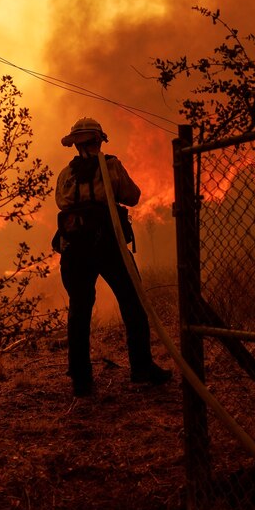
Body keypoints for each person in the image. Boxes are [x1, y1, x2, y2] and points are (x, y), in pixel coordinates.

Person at [53, 117, 172, 397]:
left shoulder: (64, 174)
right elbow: (132, 197)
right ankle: (141, 369)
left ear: (75, 144)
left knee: (79, 310)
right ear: (98, 140)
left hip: (74, 249)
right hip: (108, 243)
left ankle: (81, 380)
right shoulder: (111, 166)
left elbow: (61, 202)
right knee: (133, 303)